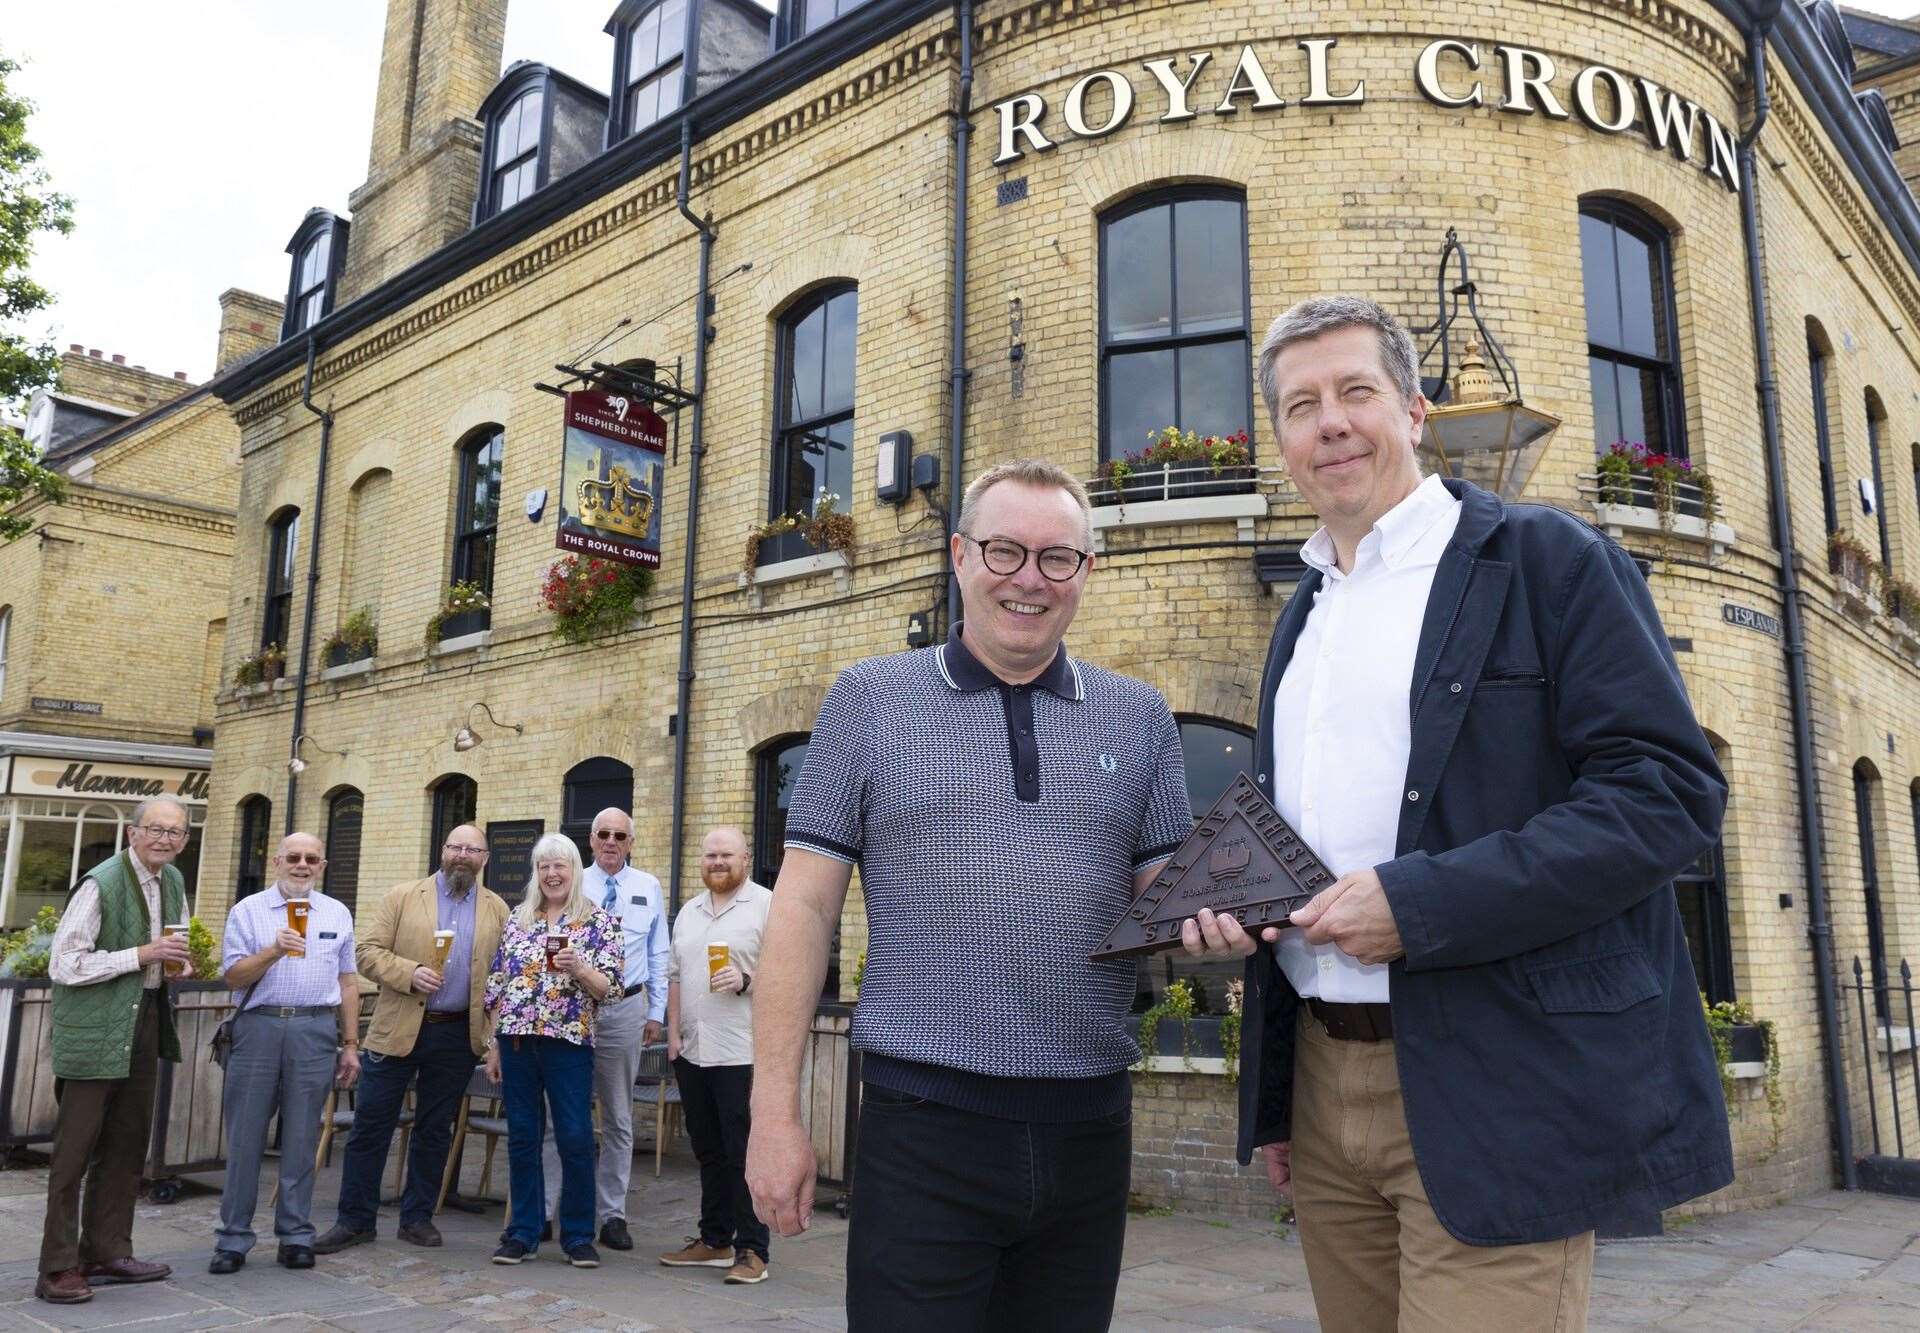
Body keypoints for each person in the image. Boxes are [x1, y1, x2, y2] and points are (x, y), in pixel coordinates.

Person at [1181, 295, 1732, 1331]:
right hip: (1325, 1081)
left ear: (1416, 410)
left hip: (1502, 1081)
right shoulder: (1305, 611)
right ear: (1283, 441)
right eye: (1301, 405)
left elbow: (1668, 794)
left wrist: (1421, 904)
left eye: (1356, 392)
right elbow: (1314, 854)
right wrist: (1281, 1075)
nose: (1330, 421)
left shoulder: (1550, 561)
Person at [746, 459, 1194, 1330]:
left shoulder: (1140, 716)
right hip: (925, 1128)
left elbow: (1167, 903)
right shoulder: (869, 700)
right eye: (1004, 550)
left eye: (1056, 557)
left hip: (1089, 1127)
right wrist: (775, 1113)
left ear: (1087, 572)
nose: (1029, 578)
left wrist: (1230, 918)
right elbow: (801, 909)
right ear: (959, 556)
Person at [314, 824, 509, 1253]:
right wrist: (408, 972)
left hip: (458, 1033)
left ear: (485, 859)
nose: (462, 855)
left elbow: (502, 978)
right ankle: (356, 1220)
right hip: (398, 1027)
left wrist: (494, 1040)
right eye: (455, 846)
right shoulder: (403, 896)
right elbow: (366, 952)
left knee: (435, 1129)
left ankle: (417, 1218)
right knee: (371, 1126)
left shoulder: (497, 909)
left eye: (472, 849)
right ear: (442, 851)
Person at [35, 798, 195, 1305]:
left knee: (127, 1144)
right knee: (74, 1153)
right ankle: (57, 1267)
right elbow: (64, 964)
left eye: (175, 832)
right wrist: (142, 956)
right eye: (156, 829)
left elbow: (173, 946)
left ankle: (107, 1250)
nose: (165, 839)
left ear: (185, 840)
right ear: (133, 833)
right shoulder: (100, 881)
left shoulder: (171, 881)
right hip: (95, 1025)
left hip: (145, 1016)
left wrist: (175, 966)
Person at [210, 832, 361, 1274]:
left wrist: (350, 1045)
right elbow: (234, 977)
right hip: (259, 1026)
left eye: (311, 858)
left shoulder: (337, 911)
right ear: (276, 861)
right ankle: (233, 1239)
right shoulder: (248, 910)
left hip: (315, 1028)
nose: (302, 865)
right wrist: (274, 949)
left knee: (301, 1138)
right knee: (245, 1138)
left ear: (323, 865)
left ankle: (295, 1235)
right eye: (293, 857)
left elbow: (348, 982)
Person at [482, 833, 623, 1267]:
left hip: (568, 1044)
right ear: (536, 873)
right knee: (523, 1137)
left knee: (575, 1137)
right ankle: (522, 1232)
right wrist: (493, 1047)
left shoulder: (598, 922)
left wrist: (580, 967)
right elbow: (497, 985)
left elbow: (612, 988)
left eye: (560, 865)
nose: (552, 873)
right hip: (517, 1042)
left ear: (574, 871)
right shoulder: (519, 919)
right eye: (544, 866)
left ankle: (578, 1236)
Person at [538, 806, 669, 1251]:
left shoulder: (648, 886)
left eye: (620, 835)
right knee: (561, 1114)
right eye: (603, 835)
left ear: (631, 842)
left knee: (618, 1116)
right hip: (572, 1008)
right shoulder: (574, 884)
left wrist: (657, 1012)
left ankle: (613, 1214)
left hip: (625, 1009)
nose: (611, 842)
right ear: (590, 841)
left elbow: (658, 954)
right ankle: (547, 1209)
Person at [658, 826, 772, 1284]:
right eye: (710, 856)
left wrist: (746, 981)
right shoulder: (690, 910)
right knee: (708, 1151)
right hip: (693, 1049)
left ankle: (753, 1250)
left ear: (745, 857)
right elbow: (674, 976)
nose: (717, 863)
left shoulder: (767, 905)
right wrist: (672, 1033)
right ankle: (715, 1239)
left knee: (744, 1153)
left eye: (726, 855)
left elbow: (790, 974)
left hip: (742, 1049)